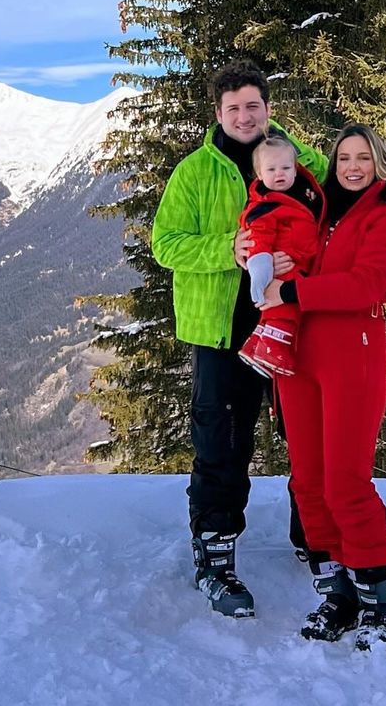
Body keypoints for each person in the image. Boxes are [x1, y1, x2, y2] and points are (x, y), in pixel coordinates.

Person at [151, 60, 327, 619]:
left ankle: (317, 539)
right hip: (222, 331)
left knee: (310, 436)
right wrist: (227, 250)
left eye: (253, 106)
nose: (244, 116)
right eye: (233, 108)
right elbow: (166, 244)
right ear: (219, 113)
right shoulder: (196, 172)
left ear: (268, 108)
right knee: (222, 441)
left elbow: (352, 199)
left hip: (298, 322)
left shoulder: (303, 164)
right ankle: (215, 554)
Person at [258, 123, 386, 650]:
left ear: (380, 163)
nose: (353, 167)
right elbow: (273, 200)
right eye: (344, 158)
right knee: (307, 482)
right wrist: (256, 247)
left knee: (345, 482)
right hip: (299, 354)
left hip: (352, 352)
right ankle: (338, 590)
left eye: (364, 158)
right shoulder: (321, 208)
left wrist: (290, 286)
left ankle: (378, 593)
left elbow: (368, 284)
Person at [237, 136, 325, 379]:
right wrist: (261, 265)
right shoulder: (265, 205)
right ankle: (275, 349)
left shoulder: (300, 194)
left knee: (276, 311)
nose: (279, 174)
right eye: (271, 169)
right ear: (259, 174)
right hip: (285, 263)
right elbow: (258, 235)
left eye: (286, 168)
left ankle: (255, 344)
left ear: (295, 170)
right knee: (287, 310)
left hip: (299, 258)